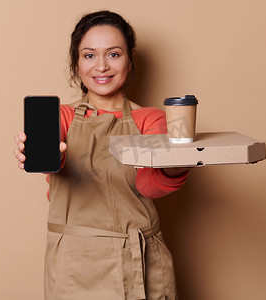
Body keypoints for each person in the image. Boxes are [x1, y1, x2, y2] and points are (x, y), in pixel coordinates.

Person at [14, 10, 189, 300]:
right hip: (73, 267)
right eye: (89, 55)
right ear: (76, 61)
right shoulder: (61, 117)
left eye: (114, 54)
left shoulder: (151, 119)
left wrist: (173, 163)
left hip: (140, 266)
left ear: (130, 58)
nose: (102, 66)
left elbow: (149, 185)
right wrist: (45, 154)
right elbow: (51, 152)